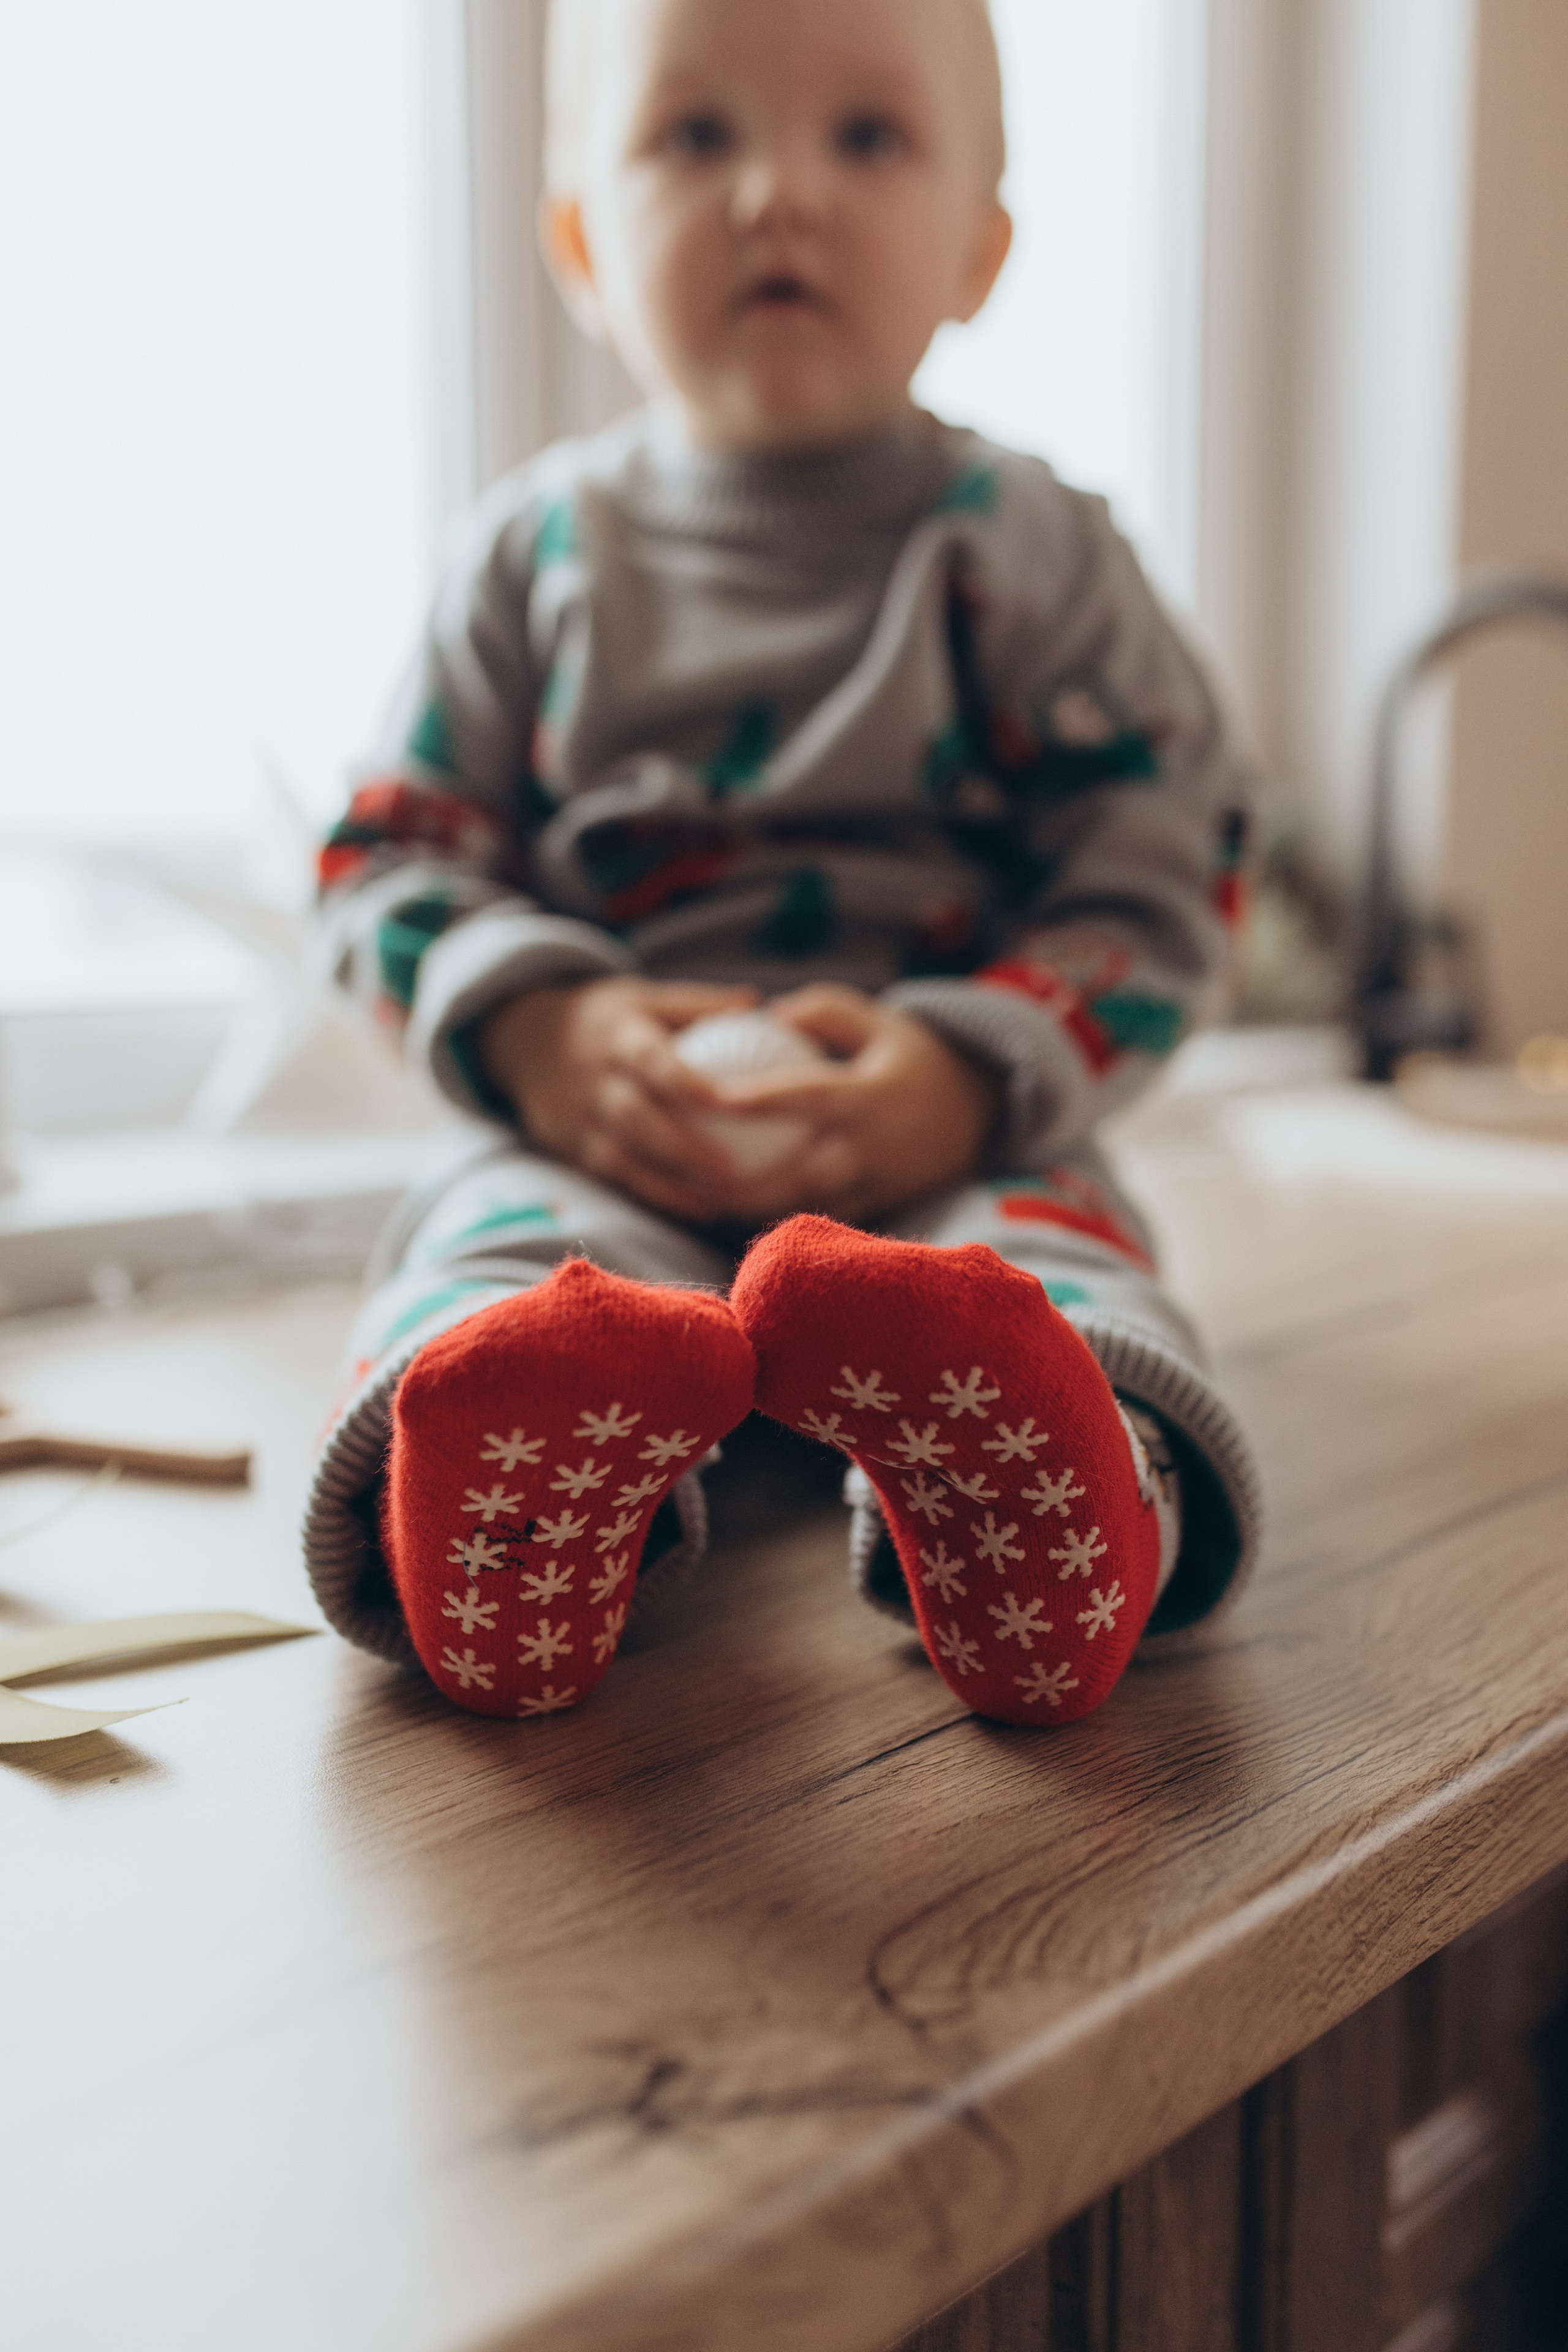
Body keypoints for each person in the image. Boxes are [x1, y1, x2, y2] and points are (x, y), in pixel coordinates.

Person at [303, 0, 1261, 1726]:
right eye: (696, 137)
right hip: (613, 1157)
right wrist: (543, 1037)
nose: (777, 199)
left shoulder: (1032, 554)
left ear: (981, 250)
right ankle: (497, 1532)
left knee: (1054, 1268)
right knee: (491, 1258)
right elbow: (388, 858)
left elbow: (1170, 859)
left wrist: (970, 1076)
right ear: (584, 243)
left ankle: (1076, 1518)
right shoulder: (529, 563)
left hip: (944, 1158)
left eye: (867, 139)